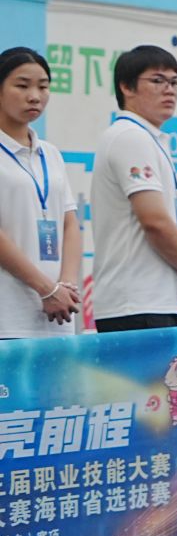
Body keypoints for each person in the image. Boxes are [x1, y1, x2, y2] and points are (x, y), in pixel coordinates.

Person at [91, 45, 177, 332]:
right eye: (157, 81)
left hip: (157, 302)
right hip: (135, 304)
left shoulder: (151, 139)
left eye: (174, 82)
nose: (169, 90)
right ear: (126, 87)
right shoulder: (130, 137)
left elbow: (174, 223)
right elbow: (154, 221)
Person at [0, 48, 83, 339]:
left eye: (43, 87)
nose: (34, 96)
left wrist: (65, 285)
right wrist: (45, 288)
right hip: (8, 318)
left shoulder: (50, 153)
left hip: (57, 314)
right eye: (22, 86)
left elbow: (69, 222)